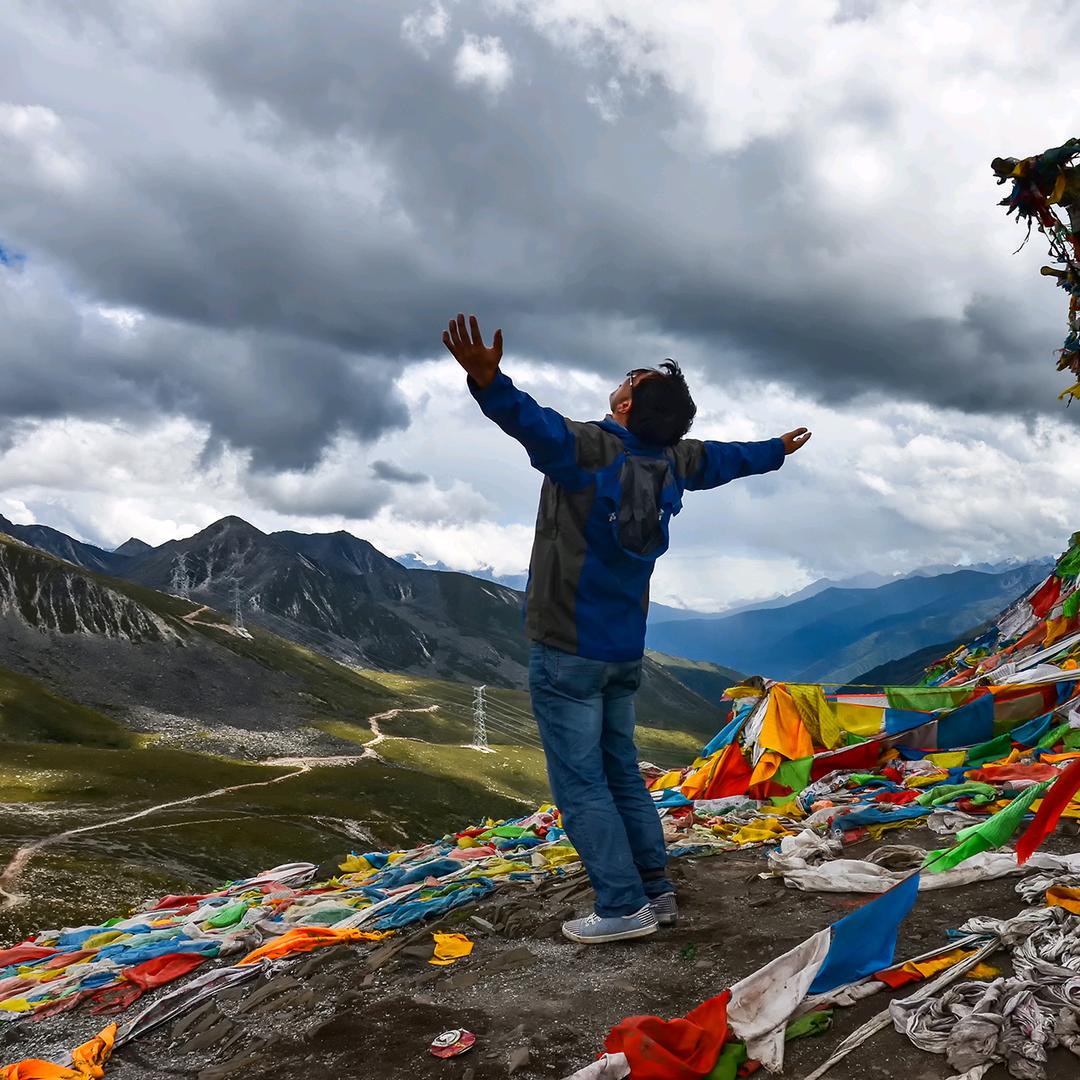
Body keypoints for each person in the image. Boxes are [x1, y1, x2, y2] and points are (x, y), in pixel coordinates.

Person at [442, 313, 811, 944]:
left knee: (581, 783)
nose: (623, 381)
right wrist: (775, 450)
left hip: (566, 649)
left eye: (629, 380)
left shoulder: (587, 450)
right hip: (623, 650)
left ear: (624, 403)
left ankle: (620, 906)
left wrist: (487, 380)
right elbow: (725, 459)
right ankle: (655, 891)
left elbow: (529, 421)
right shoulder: (673, 462)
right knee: (618, 772)